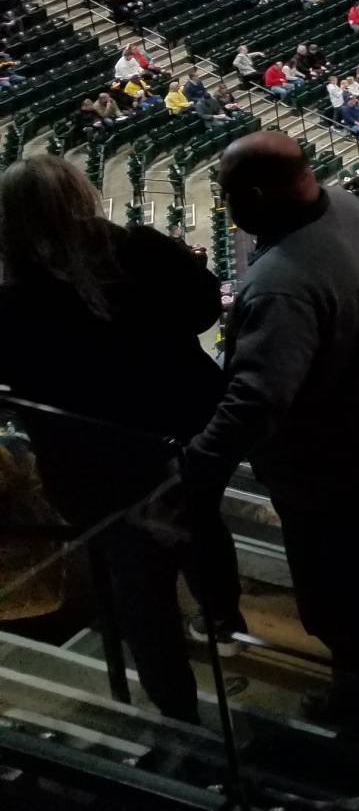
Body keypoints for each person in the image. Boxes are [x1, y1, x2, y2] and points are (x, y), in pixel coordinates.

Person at [179, 134, 359, 733]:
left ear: (257, 196)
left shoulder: (281, 284)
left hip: (336, 466)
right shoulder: (347, 207)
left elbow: (256, 400)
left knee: (338, 599)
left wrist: (198, 465)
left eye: (229, 192)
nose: (224, 205)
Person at [0, 157, 246, 724]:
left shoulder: (11, 304)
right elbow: (206, 307)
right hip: (178, 436)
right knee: (201, 527)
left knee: (136, 581)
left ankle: (176, 710)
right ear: (83, 197)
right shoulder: (136, 250)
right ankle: (224, 622)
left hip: (88, 467)